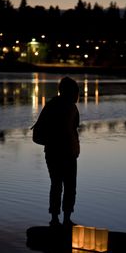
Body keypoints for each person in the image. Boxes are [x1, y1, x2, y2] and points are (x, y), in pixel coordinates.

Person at [41, 77, 80, 226]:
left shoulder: (51, 105)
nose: (77, 95)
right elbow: (73, 130)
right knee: (69, 186)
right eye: (76, 92)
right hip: (67, 152)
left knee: (56, 184)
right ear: (71, 92)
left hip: (51, 151)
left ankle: (54, 218)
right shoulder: (71, 107)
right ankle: (67, 218)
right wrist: (76, 150)